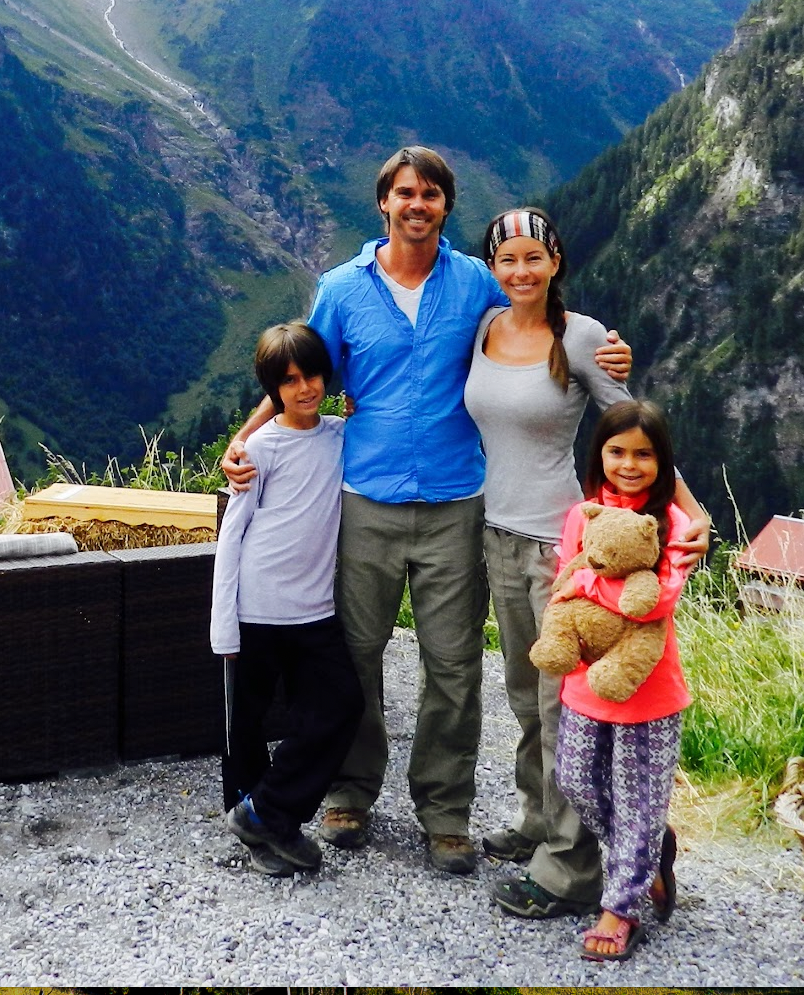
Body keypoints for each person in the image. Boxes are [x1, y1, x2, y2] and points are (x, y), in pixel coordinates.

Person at [221, 147, 633, 875]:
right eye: (405, 192)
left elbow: (536, 303)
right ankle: (351, 793)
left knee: (453, 665)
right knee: (358, 657)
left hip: (455, 503)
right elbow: (299, 369)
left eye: (432, 194)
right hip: (364, 501)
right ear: (383, 202)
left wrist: (605, 348)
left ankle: (444, 814)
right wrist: (245, 438)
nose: (418, 204)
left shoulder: (474, 281)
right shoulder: (342, 288)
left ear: (446, 205)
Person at [463, 208, 709, 918]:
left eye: (533, 258)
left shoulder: (582, 336)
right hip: (497, 534)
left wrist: (690, 511)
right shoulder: (486, 328)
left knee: (560, 705)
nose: (520, 271)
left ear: (556, 262)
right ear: (493, 267)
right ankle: (541, 820)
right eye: (507, 259)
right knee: (524, 691)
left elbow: (632, 427)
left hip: (561, 550)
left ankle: (569, 871)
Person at [211, 321, 364, 878]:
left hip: (314, 610)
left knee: (340, 705)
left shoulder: (339, 436)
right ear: (272, 388)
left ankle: (267, 812)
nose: (305, 388)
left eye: (312, 375)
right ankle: (259, 824)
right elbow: (233, 534)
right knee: (247, 725)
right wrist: (223, 626)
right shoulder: (259, 448)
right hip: (257, 607)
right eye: (290, 380)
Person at [552, 399, 691, 961]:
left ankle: (621, 910)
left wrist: (588, 584)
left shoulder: (673, 524)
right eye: (617, 451)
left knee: (637, 798)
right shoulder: (582, 515)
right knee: (576, 781)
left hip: (648, 688)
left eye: (644, 454)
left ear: (663, 461)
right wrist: (579, 591)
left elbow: (654, 602)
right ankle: (650, 848)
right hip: (585, 682)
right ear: (599, 454)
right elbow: (561, 583)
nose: (629, 465)